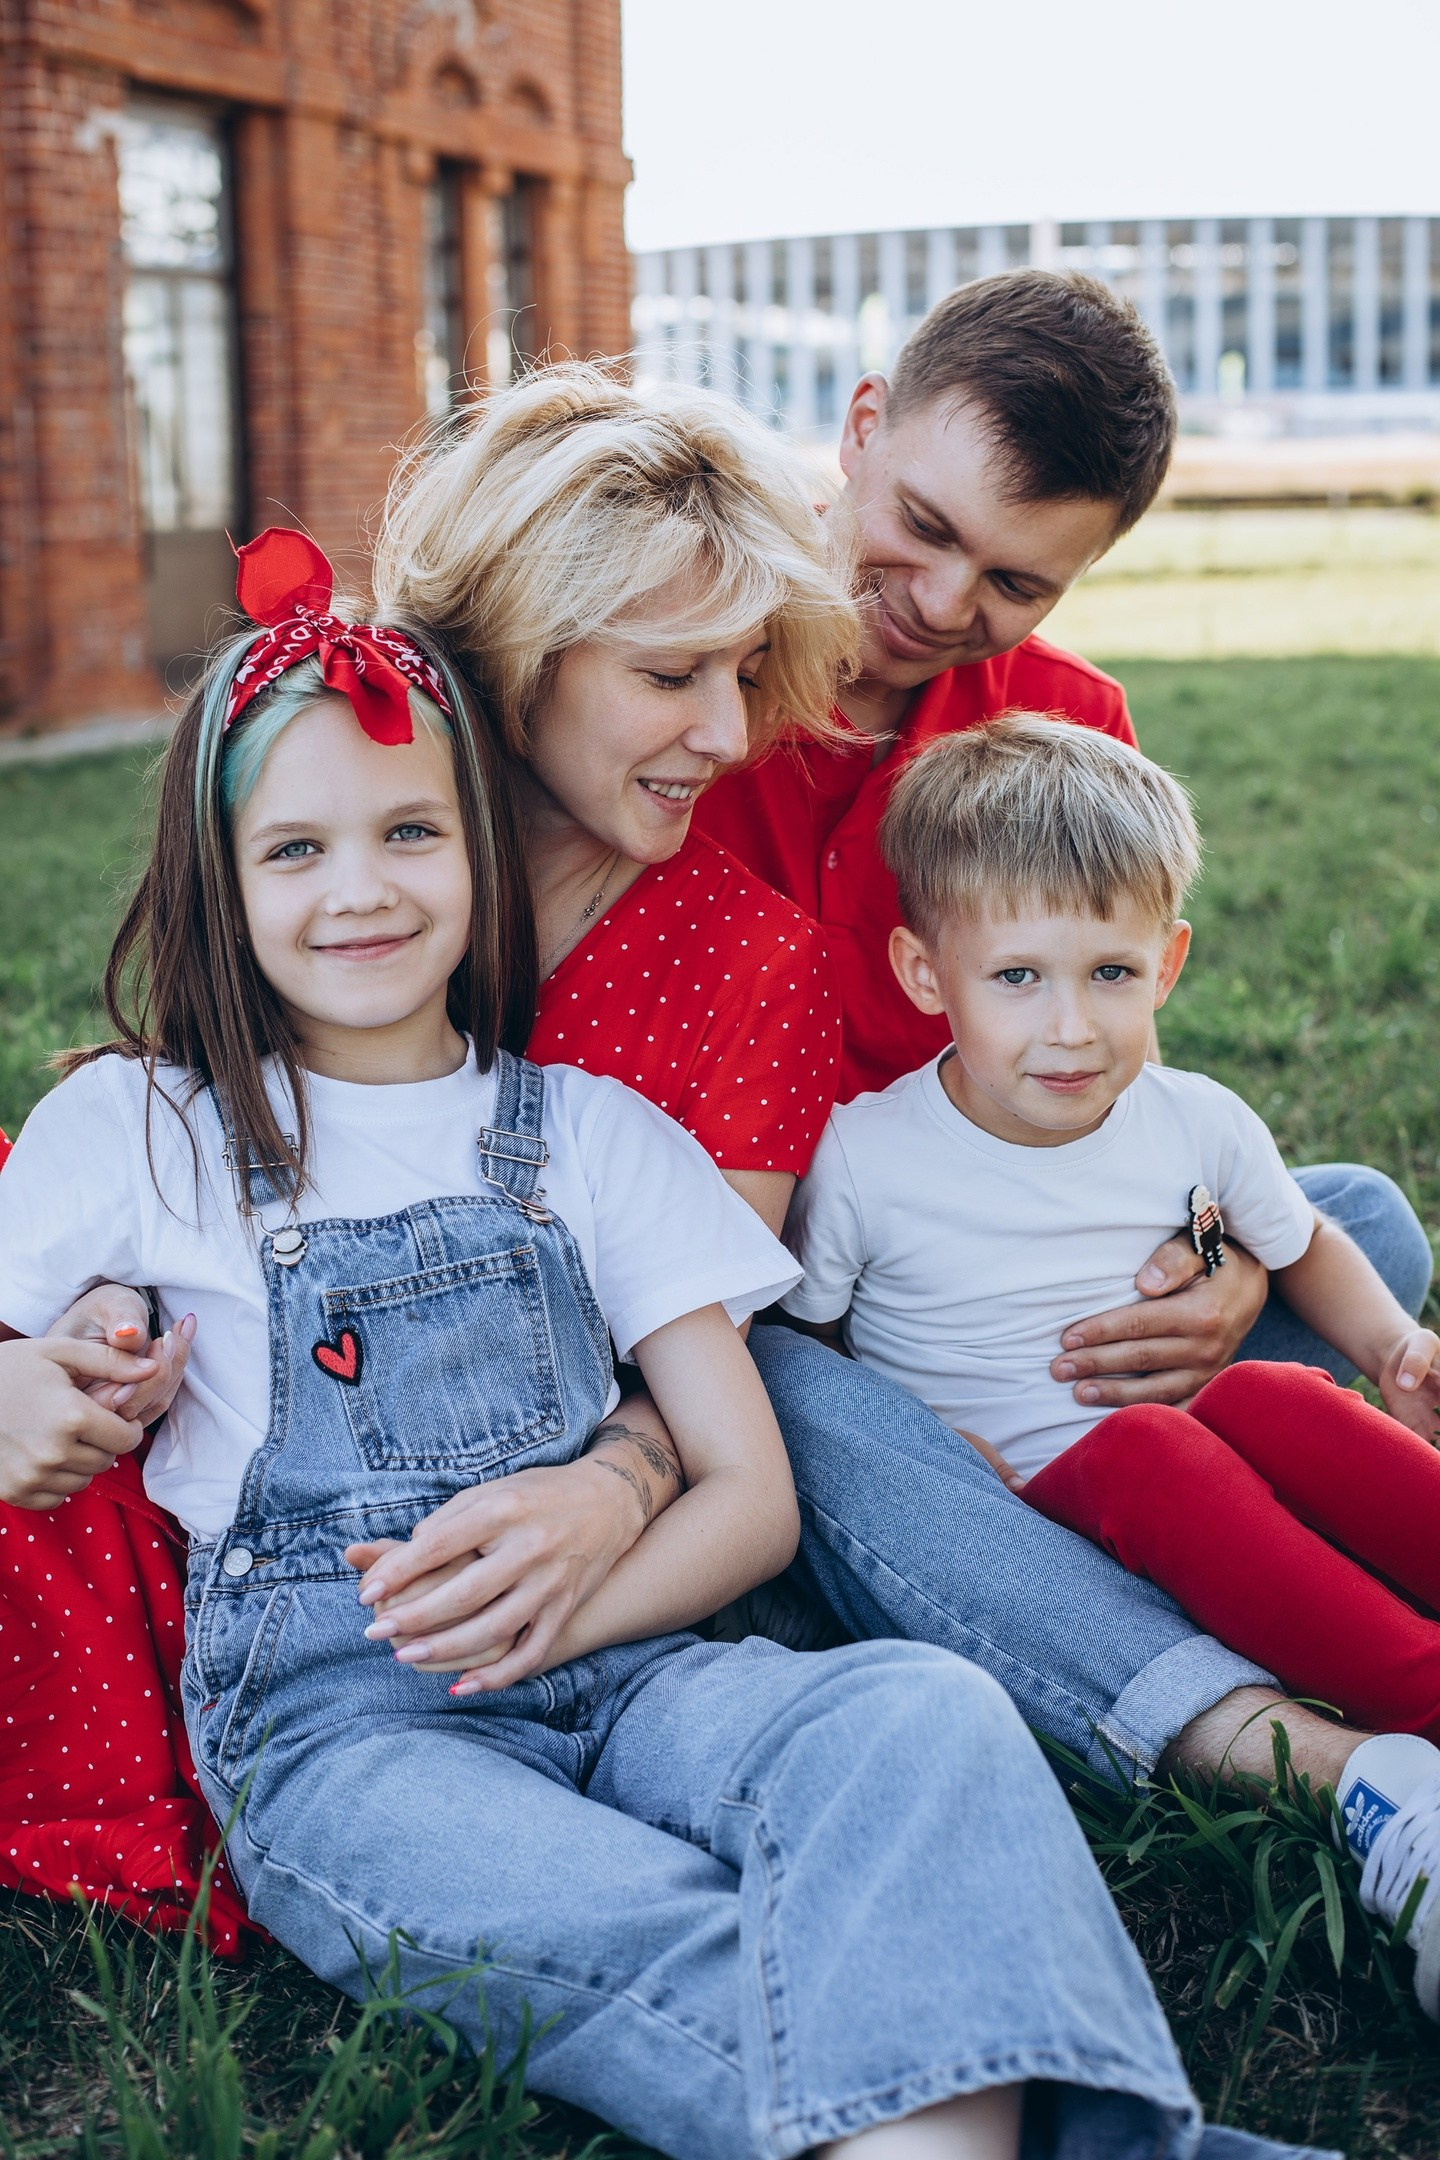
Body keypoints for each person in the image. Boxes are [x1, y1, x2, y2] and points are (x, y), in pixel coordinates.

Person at [0, 530, 1319, 2160]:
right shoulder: (142, 1128)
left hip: (640, 1670)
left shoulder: (596, 1139)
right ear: (223, 873)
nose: (362, 888)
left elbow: (749, 1491)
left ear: (485, 847)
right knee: (675, 1923)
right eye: (296, 850)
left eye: (412, 830)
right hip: (355, 1735)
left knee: (916, 1718)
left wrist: (576, 1613)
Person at [779, 715, 1440, 2016]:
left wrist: (1394, 1347)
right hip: (1022, 1508)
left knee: (1267, 1394)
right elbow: (808, 1341)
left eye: (1113, 975)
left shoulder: (1194, 1117)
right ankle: (1418, 1705)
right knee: (1155, 1444)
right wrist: (908, 1436)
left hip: (1201, 1452)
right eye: (1017, 977)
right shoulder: (866, 1155)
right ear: (928, 974)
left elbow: (1301, 1242)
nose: (1070, 1028)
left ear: (1172, 962)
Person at [694, 269, 1432, 1402]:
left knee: (1365, 1219)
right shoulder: (680, 672)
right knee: (808, 1403)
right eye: (925, 526)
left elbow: (1097, 1060)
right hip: (750, 1281)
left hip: (1008, 1262)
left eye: (1015, 580)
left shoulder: (1071, 724)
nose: (942, 603)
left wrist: (1209, 1246)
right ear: (861, 428)